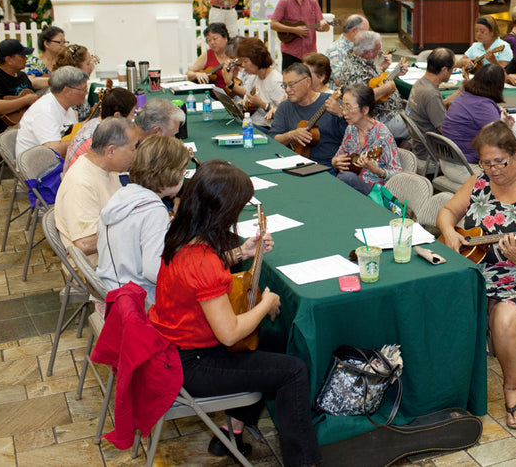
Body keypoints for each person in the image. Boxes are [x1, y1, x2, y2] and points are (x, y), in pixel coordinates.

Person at [148, 161, 321, 465]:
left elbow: (198, 276)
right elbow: (229, 333)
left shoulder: (181, 235)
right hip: (192, 364)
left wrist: (240, 253)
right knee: (293, 371)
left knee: (275, 343)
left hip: (172, 348)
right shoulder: (203, 262)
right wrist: (266, 303)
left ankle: (231, 430)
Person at [437, 122, 516, 430]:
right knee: (438, 297)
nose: (493, 170)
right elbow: (446, 212)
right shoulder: (479, 181)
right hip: (482, 270)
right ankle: (446, 388)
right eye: (486, 163)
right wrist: (450, 234)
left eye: (499, 162)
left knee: (503, 319)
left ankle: (512, 388)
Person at [95, 135, 190, 304]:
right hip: (136, 304)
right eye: (183, 173)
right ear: (171, 175)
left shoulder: (123, 195)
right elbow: (155, 272)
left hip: (112, 290)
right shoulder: (154, 211)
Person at [54, 118, 140, 255]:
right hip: (99, 266)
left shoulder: (107, 168)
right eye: (132, 148)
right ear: (111, 151)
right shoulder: (81, 183)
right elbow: (85, 243)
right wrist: (135, 228)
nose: (135, 154)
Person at [332, 30, 408, 139]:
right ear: (368, 52)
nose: (380, 51)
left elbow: (373, 83)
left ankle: (400, 152)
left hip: (391, 113)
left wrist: (390, 72)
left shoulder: (360, 60)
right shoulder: (354, 70)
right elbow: (360, 100)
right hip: (380, 120)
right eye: (378, 49)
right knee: (421, 120)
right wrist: (385, 89)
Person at [331, 84, 402, 195]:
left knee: (346, 178)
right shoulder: (351, 129)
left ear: (364, 110)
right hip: (353, 186)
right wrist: (335, 162)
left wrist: (377, 171)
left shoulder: (383, 134)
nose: (344, 112)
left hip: (374, 191)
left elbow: (398, 173)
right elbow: (338, 156)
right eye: (343, 107)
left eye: (348, 108)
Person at [270, 62, 345, 167]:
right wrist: (291, 135)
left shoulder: (331, 103)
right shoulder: (284, 107)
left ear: (307, 81)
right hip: (296, 164)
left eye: (291, 85)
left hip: (327, 165)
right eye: (285, 85)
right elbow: (273, 139)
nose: (287, 90)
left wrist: (341, 114)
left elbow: (353, 136)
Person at [16, 66, 87, 158]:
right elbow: (54, 150)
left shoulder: (66, 105)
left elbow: (72, 133)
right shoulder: (44, 110)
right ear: (67, 91)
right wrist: (84, 140)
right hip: (41, 167)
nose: (86, 92)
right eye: (83, 89)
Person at [442, 64, 508, 163]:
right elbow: (498, 141)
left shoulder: (463, 96)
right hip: (465, 165)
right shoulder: (483, 106)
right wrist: (506, 126)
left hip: (447, 160)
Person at [271, 0, 330, 68]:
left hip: (310, 52)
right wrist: (294, 30)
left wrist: (325, 28)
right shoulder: (284, 3)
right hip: (290, 52)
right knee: (290, 82)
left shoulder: (313, 2)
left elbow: (318, 25)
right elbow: (273, 24)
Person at [65, 87, 137, 170]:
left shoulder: (98, 123)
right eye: (132, 114)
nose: (133, 118)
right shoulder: (100, 136)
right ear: (117, 116)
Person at [0, 38, 39, 133]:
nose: (26, 58)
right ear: (9, 60)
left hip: (30, 122)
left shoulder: (22, 75)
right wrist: (26, 100)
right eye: (22, 56)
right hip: (11, 130)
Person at [406, 47, 455, 159]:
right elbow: (445, 129)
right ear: (444, 70)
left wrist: (460, 92)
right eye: (452, 69)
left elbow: (435, 106)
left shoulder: (421, 83)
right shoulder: (431, 94)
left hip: (418, 144)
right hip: (430, 152)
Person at [231, 37, 285, 129]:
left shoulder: (276, 81)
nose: (243, 65)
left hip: (268, 128)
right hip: (253, 122)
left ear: (256, 59)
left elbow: (284, 114)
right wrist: (243, 103)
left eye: (245, 61)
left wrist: (262, 104)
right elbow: (247, 98)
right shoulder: (254, 76)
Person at [53, 43, 99, 121]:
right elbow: (74, 129)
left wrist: (93, 112)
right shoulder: (69, 92)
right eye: (88, 64)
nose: (92, 66)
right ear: (76, 69)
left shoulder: (77, 86)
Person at [186, 23, 236, 90]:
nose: (212, 42)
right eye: (209, 40)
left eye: (215, 39)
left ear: (225, 38)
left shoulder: (235, 54)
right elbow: (188, 74)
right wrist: (197, 74)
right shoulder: (207, 55)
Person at [325, 14, 368, 79]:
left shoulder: (356, 47)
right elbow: (341, 80)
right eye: (365, 33)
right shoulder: (336, 50)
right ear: (354, 31)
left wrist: (381, 67)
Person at [25, 25, 65, 90]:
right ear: (46, 44)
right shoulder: (34, 62)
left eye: (64, 42)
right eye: (60, 42)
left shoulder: (64, 60)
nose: (64, 45)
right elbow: (31, 82)